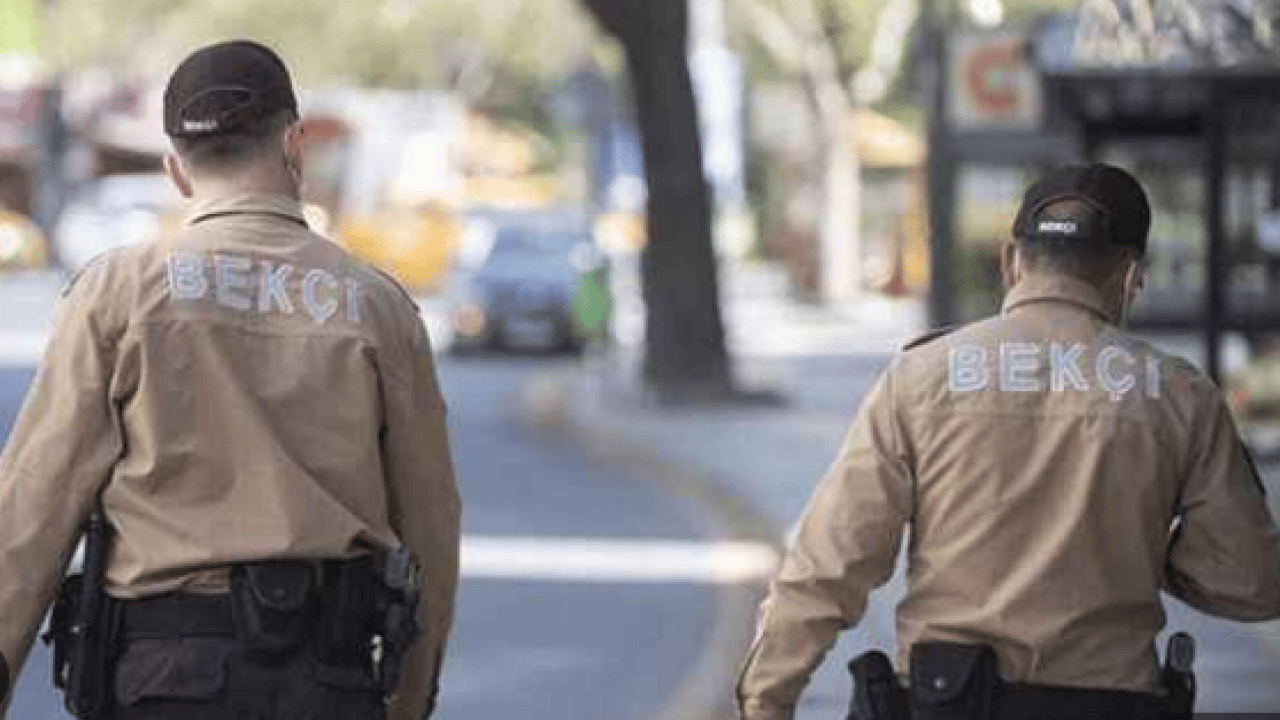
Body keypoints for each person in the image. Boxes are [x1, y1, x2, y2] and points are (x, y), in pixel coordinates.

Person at [0, 39, 459, 720]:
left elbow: (34, 505)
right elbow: (430, 522)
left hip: (163, 678)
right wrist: (411, 696)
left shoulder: (118, 294)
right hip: (328, 682)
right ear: (295, 144)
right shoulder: (377, 307)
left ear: (176, 171)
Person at [735, 162, 1280, 720]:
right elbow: (1253, 581)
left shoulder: (921, 378)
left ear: (1010, 262)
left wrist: (765, 700)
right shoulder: (1180, 395)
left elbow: (830, 561)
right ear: (1131, 274)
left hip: (947, 701)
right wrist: (1141, 546)